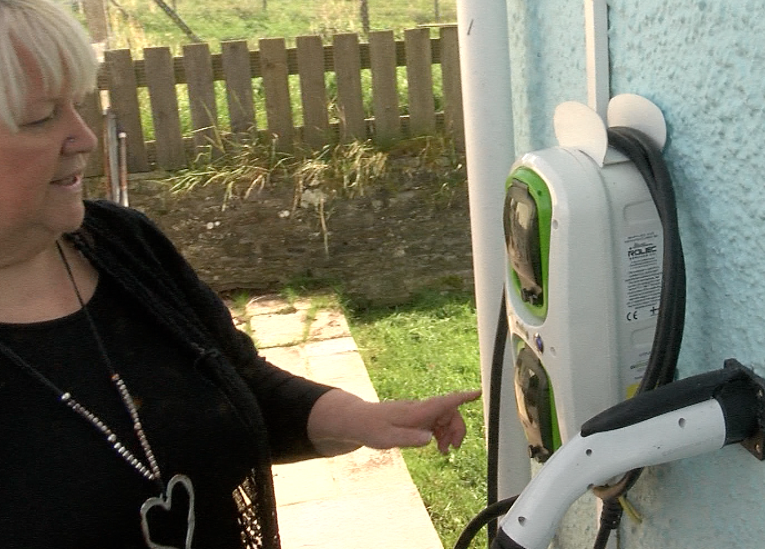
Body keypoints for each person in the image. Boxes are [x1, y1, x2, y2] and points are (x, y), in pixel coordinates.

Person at [0, 1, 480, 547]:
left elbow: (238, 383)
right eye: (41, 117)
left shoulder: (123, 246)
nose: (84, 136)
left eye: (77, 105)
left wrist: (362, 419)